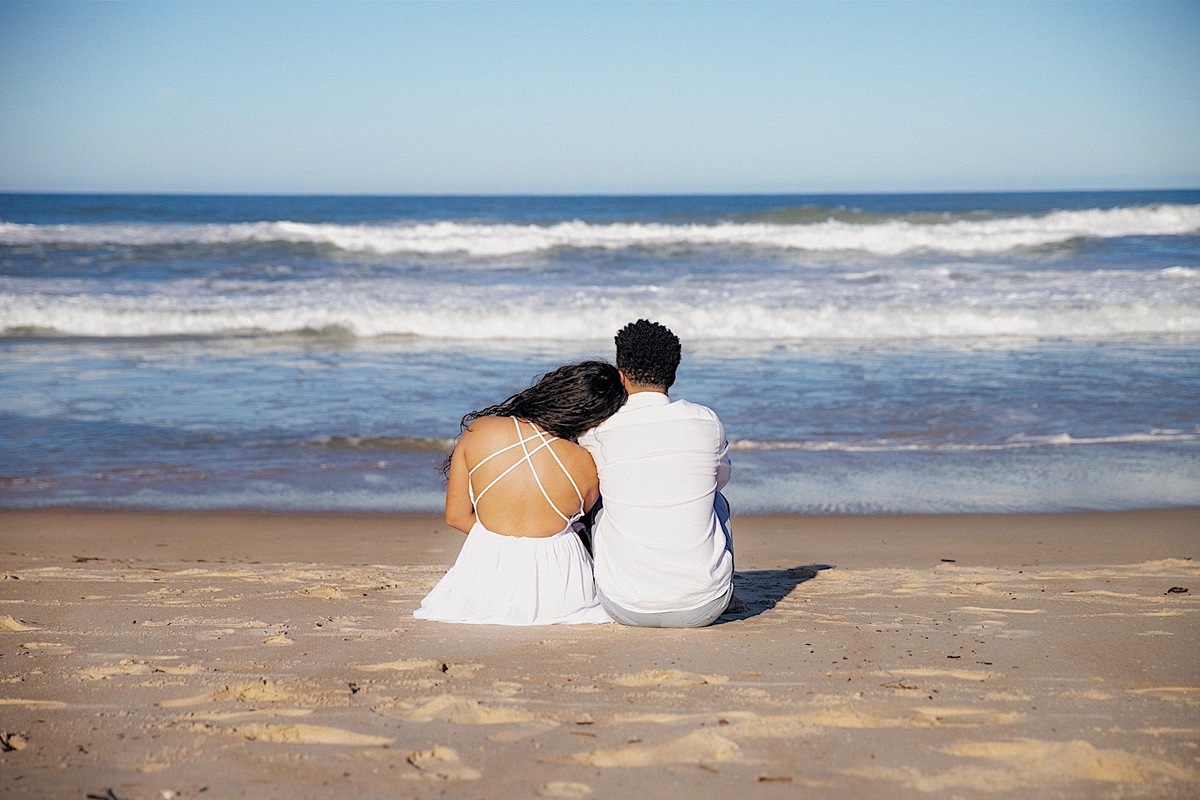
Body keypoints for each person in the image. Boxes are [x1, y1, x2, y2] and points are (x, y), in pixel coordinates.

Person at [414, 361, 626, 625]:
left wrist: (505, 541)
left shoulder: (480, 430)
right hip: (562, 590)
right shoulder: (586, 462)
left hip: (485, 581)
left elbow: (456, 517)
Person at [578, 320, 734, 628]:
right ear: (673, 375)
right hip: (706, 607)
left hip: (623, 606)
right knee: (716, 500)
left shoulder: (598, 430)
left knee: (599, 500)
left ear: (620, 374)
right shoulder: (706, 421)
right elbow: (720, 480)